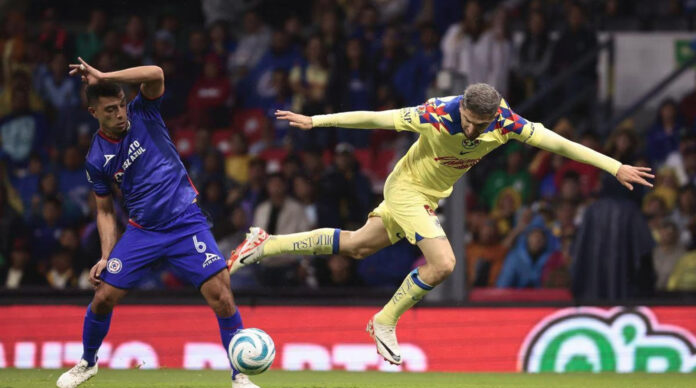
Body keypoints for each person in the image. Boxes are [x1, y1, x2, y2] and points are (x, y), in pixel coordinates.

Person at [229, 83, 653, 365]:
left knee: (358, 245)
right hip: (406, 189)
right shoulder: (436, 113)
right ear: (462, 107)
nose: (469, 128)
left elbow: (559, 144)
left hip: (430, 196)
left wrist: (614, 167)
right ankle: (385, 321)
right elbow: (377, 118)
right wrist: (316, 121)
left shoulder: (507, 123)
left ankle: (265, 244)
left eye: (477, 125)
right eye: (467, 119)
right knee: (445, 262)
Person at [56, 59, 260, 388]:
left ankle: (240, 374)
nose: (120, 114)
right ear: (93, 113)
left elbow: (156, 74)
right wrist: (107, 256)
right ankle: (87, 362)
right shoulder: (96, 159)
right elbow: (105, 211)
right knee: (103, 296)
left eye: (121, 105)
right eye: (110, 110)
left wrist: (105, 75)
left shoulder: (143, 113)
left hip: (186, 222)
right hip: (144, 231)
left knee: (221, 295)